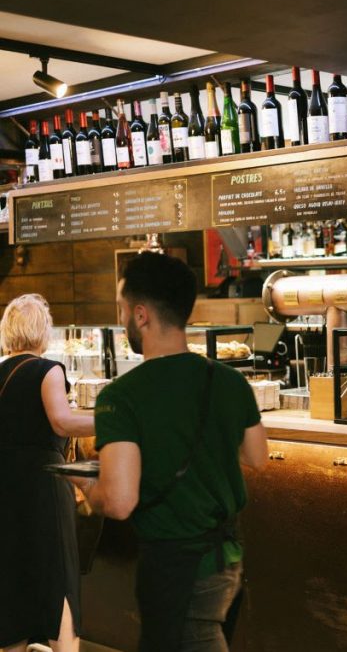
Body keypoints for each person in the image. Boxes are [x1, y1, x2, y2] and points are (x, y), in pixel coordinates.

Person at [73, 252, 268, 652]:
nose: (122, 318)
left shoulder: (121, 398)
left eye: (122, 309)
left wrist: (87, 486)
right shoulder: (229, 381)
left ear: (141, 315)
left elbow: (121, 501)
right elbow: (257, 456)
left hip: (177, 563)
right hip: (229, 557)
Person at [0, 294, 95, 652]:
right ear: (43, 331)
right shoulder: (47, 370)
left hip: (6, 486)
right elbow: (62, 420)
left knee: (12, 577)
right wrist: (120, 420)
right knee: (59, 575)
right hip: (43, 487)